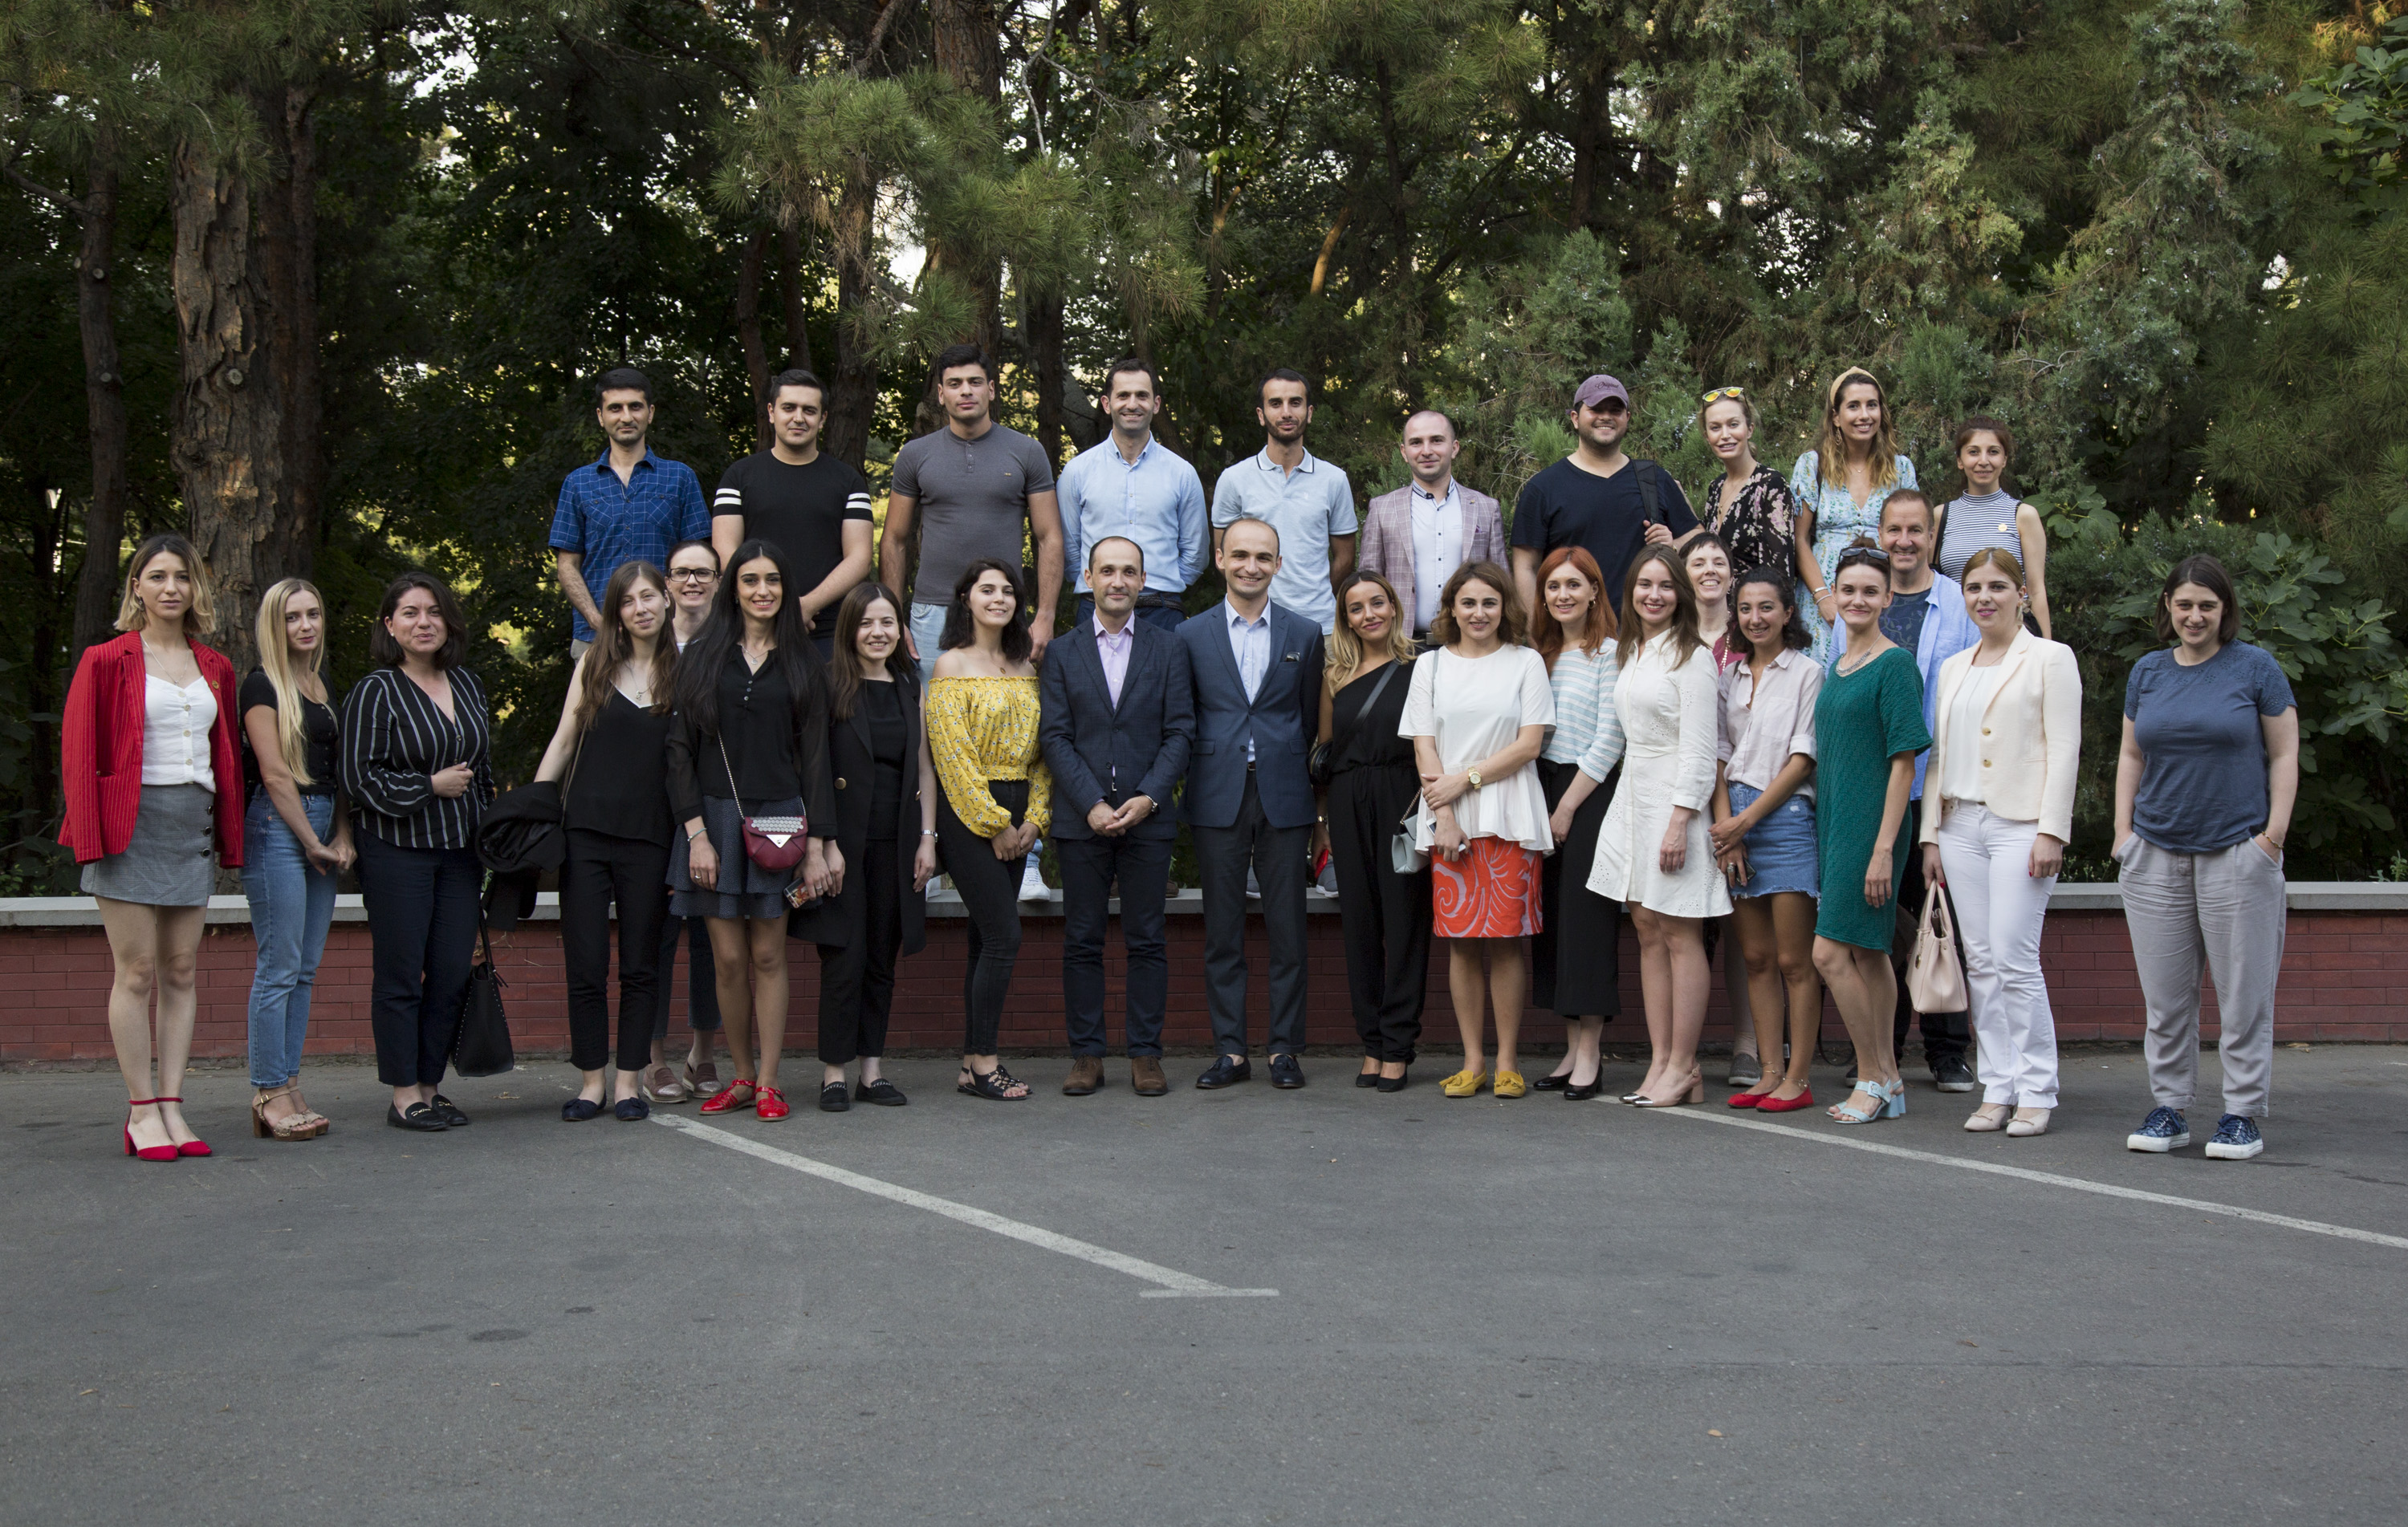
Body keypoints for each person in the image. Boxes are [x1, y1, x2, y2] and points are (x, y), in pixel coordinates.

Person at [60, 534, 246, 1161]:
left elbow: (226, 760)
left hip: (191, 827)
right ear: (136, 586)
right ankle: (141, 1110)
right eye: (158, 576)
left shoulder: (215, 666)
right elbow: (79, 755)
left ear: (196, 588)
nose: (172, 587)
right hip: (129, 826)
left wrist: (228, 836)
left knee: (182, 969)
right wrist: (90, 840)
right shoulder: (106, 660)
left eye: (183, 577)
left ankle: (171, 1104)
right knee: (137, 971)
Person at [2116, 555, 2298, 1162]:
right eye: (2185, 604)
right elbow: (2131, 756)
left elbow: (2284, 755)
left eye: (2207, 606)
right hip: (2155, 854)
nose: (2195, 616)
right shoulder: (2148, 671)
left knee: (2244, 998)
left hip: (2237, 852)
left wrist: (2271, 839)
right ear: (2168, 606)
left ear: (2225, 610)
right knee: (2166, 1001)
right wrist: (2123, 834)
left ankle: (2241, 1114)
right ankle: (2169, 1109)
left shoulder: (2256, 667)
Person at [880, 342, 1063, 902]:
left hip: (1007, 613)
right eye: (954, 383)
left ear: (991, 389)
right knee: (934, 739)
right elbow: (894, 538)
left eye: (975, 382)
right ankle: (936, 855)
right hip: (932, 612)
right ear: (940, 393)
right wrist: (895, 613)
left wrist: (1045, 615)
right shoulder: (916, 455)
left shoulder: (1025, 451)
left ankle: (1026, 859)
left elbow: (1049, 536)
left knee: (1016, 733)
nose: (965, 391)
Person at [666, 539, 841, 1125]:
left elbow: (816, 759)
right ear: (732, 588)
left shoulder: (803, 662)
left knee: (768, 954)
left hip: (782, 821)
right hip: (713, 822)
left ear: (786, 589)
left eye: (772, 580)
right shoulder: (702, 657)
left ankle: (768, 1080)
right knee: (727, 958)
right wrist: (696, 834)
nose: (762, 591)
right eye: (749, 580)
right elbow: (679, 750)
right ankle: (740, 1076)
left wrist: (816, 844)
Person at [1920, 549, 2081, 1137]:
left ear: (2021, 594)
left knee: (2015, 958)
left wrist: (2051, 830)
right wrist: (1931, 834)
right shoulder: (1954, 667)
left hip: (2021, 825)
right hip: (1960, 825)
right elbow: (1937, 756)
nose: (1984, 597)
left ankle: (2037, 1088)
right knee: (1982, 961)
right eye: (1974, 588)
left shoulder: (2050, 658)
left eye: (1997, 586)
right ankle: (1999, 1084)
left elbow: (2065, 748)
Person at [341, 572, 497, 1133]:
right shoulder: (375, 691)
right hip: (397, 851)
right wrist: (428, 786)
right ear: (390, 625)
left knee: (453, 971)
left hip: (460, 854)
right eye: (409, 612)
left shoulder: (468, 684)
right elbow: (359, 778)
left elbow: (483, 771)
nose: (423, 622)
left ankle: (431, 1085)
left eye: (433, 611)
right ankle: (404, 1092)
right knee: (402, 974)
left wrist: (493, 833)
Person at [1041, 536, 1195, 1096]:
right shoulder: (1061, 652)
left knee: (1147, 940)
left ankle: (1145, 1055)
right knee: (1082, 941)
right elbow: (1055, 737)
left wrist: (1149, 796)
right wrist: (1092, 803)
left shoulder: (1169, 648)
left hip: (1147, 818)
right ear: (1088, 578)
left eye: (1129, 571)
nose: (1118, 581)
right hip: (1080, 820)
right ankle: (1086, 1056)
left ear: (1143, 581)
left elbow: (1181, 731)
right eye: (1107, 570)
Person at [1180, 515, 1325, 1090]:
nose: (1251, 566)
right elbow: (1184, 717)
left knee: (1289, 931)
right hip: (1216, 795)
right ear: (1220, 559)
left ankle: (1285, 1049)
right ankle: (1231, 1051)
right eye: (1240, 555)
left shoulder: (1304, 634)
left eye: (1263, 557)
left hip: (1284, 795)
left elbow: (1309, 720)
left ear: (1278, 565)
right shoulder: (1189, 635)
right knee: (1223, 932)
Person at [1403, 562, 1556, 1099]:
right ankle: (1472, 1061)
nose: (1479, 613)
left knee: (1508, 941)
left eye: (1489, 602)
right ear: (1451, 608)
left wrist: (1465, 780)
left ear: (1504, 606)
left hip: (1510, 816)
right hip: (1450, 821)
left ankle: (1508, 1060)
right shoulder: (1430, 666)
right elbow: (1424, 746)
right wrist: (1444, 815)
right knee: (1463, 944)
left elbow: (1529, 744)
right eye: (1467, 602)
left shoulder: (1526, 662)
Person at [534, 561, 677, 1123]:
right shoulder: (594, 664)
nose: (640, 608)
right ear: (616, 611)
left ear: (666, 601)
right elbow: (563, 741)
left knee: (641, 966)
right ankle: (592, 1082)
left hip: (651, 838)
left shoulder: (685, 673)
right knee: (586, 963)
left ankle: (628, 1083)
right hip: (585, 836)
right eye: (628, 600)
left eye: (649, 596)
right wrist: (534, 812)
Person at [1586, 548, 1731, 1107]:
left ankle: (1685, 1064)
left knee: (1679, 933)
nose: (1654, 594)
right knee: (1647, 928)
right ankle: (1662, 1061)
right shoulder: (1633, 650)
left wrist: (1680, 821)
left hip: (1675, 804)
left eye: (1666, 585)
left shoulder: (1693, 657)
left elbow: (1700, 750)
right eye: (1645, 584)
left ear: (1681, 595)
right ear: (1631, 591)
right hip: (1634, 798)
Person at [791, 583, 939, 1112]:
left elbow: (924, 768)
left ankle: (871, 1072)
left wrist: (928, 838)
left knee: (881, 959)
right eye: (866, 623)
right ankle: (834, 1073)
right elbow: (812, 766)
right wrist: (823, 843)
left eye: (887, 622)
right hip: (843, 845)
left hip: (897, 844)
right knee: (843, 957)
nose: (878, 632)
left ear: (900, 630)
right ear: (850, 628)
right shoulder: (826, 682)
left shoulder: (909, 686)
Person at [1853, 489, 1980, 1092]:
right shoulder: (1861, 601)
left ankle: (1947, 1051)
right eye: (1894, 530)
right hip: (1876, 787)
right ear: (1880, 534)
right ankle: (1883, 1049)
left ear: (1932, 536)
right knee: (1884, 924)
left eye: (1916, 530)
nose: (1904, 540)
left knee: (1937, 919)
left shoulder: (1959, 603)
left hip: (1938, 785)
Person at [1809, 545, 1930, 1126]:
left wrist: (1884, 849)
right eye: (1848, 590)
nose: (1857, 599)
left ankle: (1873, 1075)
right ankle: (1892, 1079)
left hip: (1872, 828)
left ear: (1887, 598)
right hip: (1837, 823)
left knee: (1828, 953)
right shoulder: (1838, 666)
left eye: (1869, 591)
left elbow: (1904, 763)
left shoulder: (1895, 665)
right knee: (1869, 950)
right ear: (1834, 595)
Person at [925, 558, 1054, 1100]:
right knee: (1005, 935)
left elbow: (1043, 753)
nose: (999, 598)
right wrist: (995, 823)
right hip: (968, 813)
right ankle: (986, 1064)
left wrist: (1035, 819)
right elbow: (952, 756)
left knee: (985, 939)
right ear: (966, 599)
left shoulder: (1026, 667)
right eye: (986, 589)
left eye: (1008, 591)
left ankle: (968, 1063)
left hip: (1020, 810)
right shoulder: (950, 665)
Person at [238, 577, 352, 1142]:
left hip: (323, 826)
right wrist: (311, 839)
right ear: (274, 625)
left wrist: (343, 834)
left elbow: (340, 770)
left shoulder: (322, 683)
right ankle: (267, 1091)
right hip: (279, 828)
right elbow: (275, 774)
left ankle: (289, 1081)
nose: (305, 625)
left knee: (305, 968)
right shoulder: (261, 685)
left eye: (312, 614)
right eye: (291, 617)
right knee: (279, 966)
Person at [1709, 571, 1823, 1113]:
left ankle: (1798, 1078)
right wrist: (1727, 830)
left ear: (1787, 612)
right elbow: (1718, 755)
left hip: (1785, 820)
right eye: (1746, 608)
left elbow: (1802, 759)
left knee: (1794, 961)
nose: (1755, 618)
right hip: (1735, 823)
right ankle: (1768, 1071)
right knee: (1755, 957)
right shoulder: (1727, 677)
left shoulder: (1808, 673)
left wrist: (1746, 821)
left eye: (1767, 608)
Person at [1316, 570, 1428, 1092]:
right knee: (1359, 925)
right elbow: (1323, 754)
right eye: (1356, 608)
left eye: (1377, 603)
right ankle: (1372, 1043)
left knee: (1404, 922)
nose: (1369, 615)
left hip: (1402, 798)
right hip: (1346, 799)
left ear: (1394, 606)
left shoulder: (1421, 667)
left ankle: (1399, 1046)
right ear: (1346, 619)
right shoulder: (1334, 675)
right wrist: (1321, 826)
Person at [1527, 548, 1625, 1100]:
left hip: (1588, 792)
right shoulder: (1537, 655)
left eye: (1573, 584)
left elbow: (1611, 738)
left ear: (1594, 591)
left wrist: (1565, 807)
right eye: (1553, 586)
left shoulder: (1611, 653)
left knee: (1586, 921)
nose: (1562, 595)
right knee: (1554, 924)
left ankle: (1591, 1053)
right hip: (1538, 788)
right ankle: (1570, 1048)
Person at [1511, 372, 1701, 623]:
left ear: (1627, 418)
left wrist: (1673, 544)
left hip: (1647, 634)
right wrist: (1538, 635)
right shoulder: (1543, 488)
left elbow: (1699, 542)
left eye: (1615, 410)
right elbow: (1526, 568)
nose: (1606, 416)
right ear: (1575, 418)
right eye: (1596, 409)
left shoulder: (1654, 479)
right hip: (1574, 636)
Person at [710, 369, 874, 658]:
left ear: (822, 418)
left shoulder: (849, 481)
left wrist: (807, 605)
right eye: (789, 408)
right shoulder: (738, 476)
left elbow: (860, 558)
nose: (799, 418)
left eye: (809, 410)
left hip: (828, 631)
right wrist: (774, 608)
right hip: (754, 629)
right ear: (771, 413)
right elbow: (726, 552)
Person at [550, 367, 709, 657]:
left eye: (635, 406)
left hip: (669, 636)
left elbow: (698, 563)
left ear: (650, 413)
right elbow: (567, 566)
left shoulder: (680, 478)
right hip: (596, 638)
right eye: (615, 408)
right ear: (601, 416)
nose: (626, 417)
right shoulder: (577, 483)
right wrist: (598, 622)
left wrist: (680, 620)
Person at [647, 538, 726, 1103]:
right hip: (651, 809)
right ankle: (652, 1058)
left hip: (709, 807)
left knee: (709, 939)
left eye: (703, 572)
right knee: (654, 936)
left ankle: (703, 1053)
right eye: (682, 573)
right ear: (667, 583)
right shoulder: (643, 643)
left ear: (718, 582)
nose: (693, 581)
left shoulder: (729, 646)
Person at [1055, 357, 1209, 635]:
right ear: (1106, 403)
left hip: (1162, 611)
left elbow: (1195, 553)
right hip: (1096, 609)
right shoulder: (1077, 472)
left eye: (1142, 395)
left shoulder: (1182, 473)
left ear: (1156, 404)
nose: (1132, 404)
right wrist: (1101, 586)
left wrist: (1161, 586)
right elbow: (1070, 549)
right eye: (1123, 395)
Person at [1683, 530, 1758, 1082]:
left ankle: (1747, 1043)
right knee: (1685, 922)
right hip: (1684, 796)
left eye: (1719, 561)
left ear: (1732, 576)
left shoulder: (1751, 634)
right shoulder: (1670, 635)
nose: (1709, 569)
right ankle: (1679, 1050)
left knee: (1742, 926)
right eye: (1698, 561)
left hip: (1741, 794)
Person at [1209, 368, 1359, 636]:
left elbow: (1345, 559)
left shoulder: (1334, 480)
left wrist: (1315, 597)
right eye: (1276, 403)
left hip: (1321, 627)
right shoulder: (1234, 479)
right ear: (1261, 415)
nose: (1286, 412)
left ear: (1309, 413)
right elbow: (1224, 557)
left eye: (1295, 403)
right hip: (1254, 624)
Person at [1791, 367, 1918, 660]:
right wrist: (1824, 598)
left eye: (1872, 405)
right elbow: (1799, 539)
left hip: (1881, 596)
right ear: (1836, 417)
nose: (1864, 415)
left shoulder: (1900, 469)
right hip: (1824, 599)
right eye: (1853, 406)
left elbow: (1913, 537)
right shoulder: (1813, 466)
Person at [1357, 409, 1506, 643]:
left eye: (1436, 440)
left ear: (1454, 448)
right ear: (1404, 452)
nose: (1426, 451)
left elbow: (1501, 582)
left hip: (1470, 644)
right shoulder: (1382, 509)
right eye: (1416, 443)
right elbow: (1368, 584)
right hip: (1402, 645)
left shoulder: (1486, 508)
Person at [1936, 416, 2052, 638]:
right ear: (1960, 460)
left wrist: (2046, 650)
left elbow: (2036, 591)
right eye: (1973, 452)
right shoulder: (1940, 516)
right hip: (1954, 637)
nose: (1983, 461)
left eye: (1993, 452)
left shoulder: (2023, 515)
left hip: (2012, 637)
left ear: (2004, 459)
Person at [1695, 387, 1799, 585]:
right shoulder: (1716, 487)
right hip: (1716, 600)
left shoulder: (1770, 485)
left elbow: (1780, 573)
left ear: (1750, 429)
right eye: (1715, 428)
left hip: (1756, 602)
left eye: (1733, 424)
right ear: (1707, 437)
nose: (1725, 435)